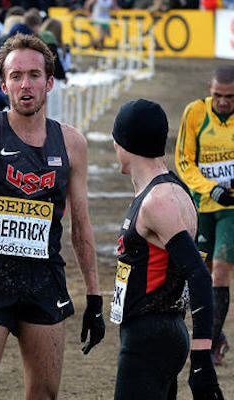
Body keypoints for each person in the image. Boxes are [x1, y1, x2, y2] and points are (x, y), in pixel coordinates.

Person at [0, 33, 105, 399]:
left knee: (45, 394)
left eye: (35, 75)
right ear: (3, 83)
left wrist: (95, 296)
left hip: (44, 280)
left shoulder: (71, 143)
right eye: (17, 75)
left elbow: (81, 225)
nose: (26, 84)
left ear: (49, 82)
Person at [111, 99, 224, 400]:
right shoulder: (170, 191)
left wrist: (202, 360)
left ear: (124, 142)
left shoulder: (160, 201)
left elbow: (199, 276)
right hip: (158, 333)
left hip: (150, 337)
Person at [175, 64, 234, 366]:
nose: (223, 101)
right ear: (209, 89)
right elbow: (184, 161)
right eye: (218, 95)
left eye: (230, 96)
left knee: (221, 271)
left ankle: (208, 346)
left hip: (231, 210)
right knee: (204, 273)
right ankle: (216, 335)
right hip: (201, 204)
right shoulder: (194, 113)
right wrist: (210, 188)